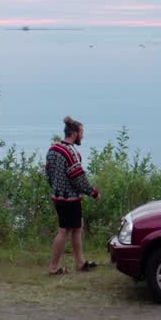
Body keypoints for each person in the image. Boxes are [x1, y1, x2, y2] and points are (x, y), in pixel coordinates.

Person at [45, 116, 101, 275]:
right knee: (64, 230)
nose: (83, 136)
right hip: (69, 198)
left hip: (58, 196)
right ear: (74, 133)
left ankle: (81, 262)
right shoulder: (71, 153)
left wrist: (56, 188)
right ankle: (54, 267)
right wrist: (93, 192)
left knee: (77, 227)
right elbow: (78, 178)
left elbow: (48, 172)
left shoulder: (53, 149)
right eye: (82, 133)